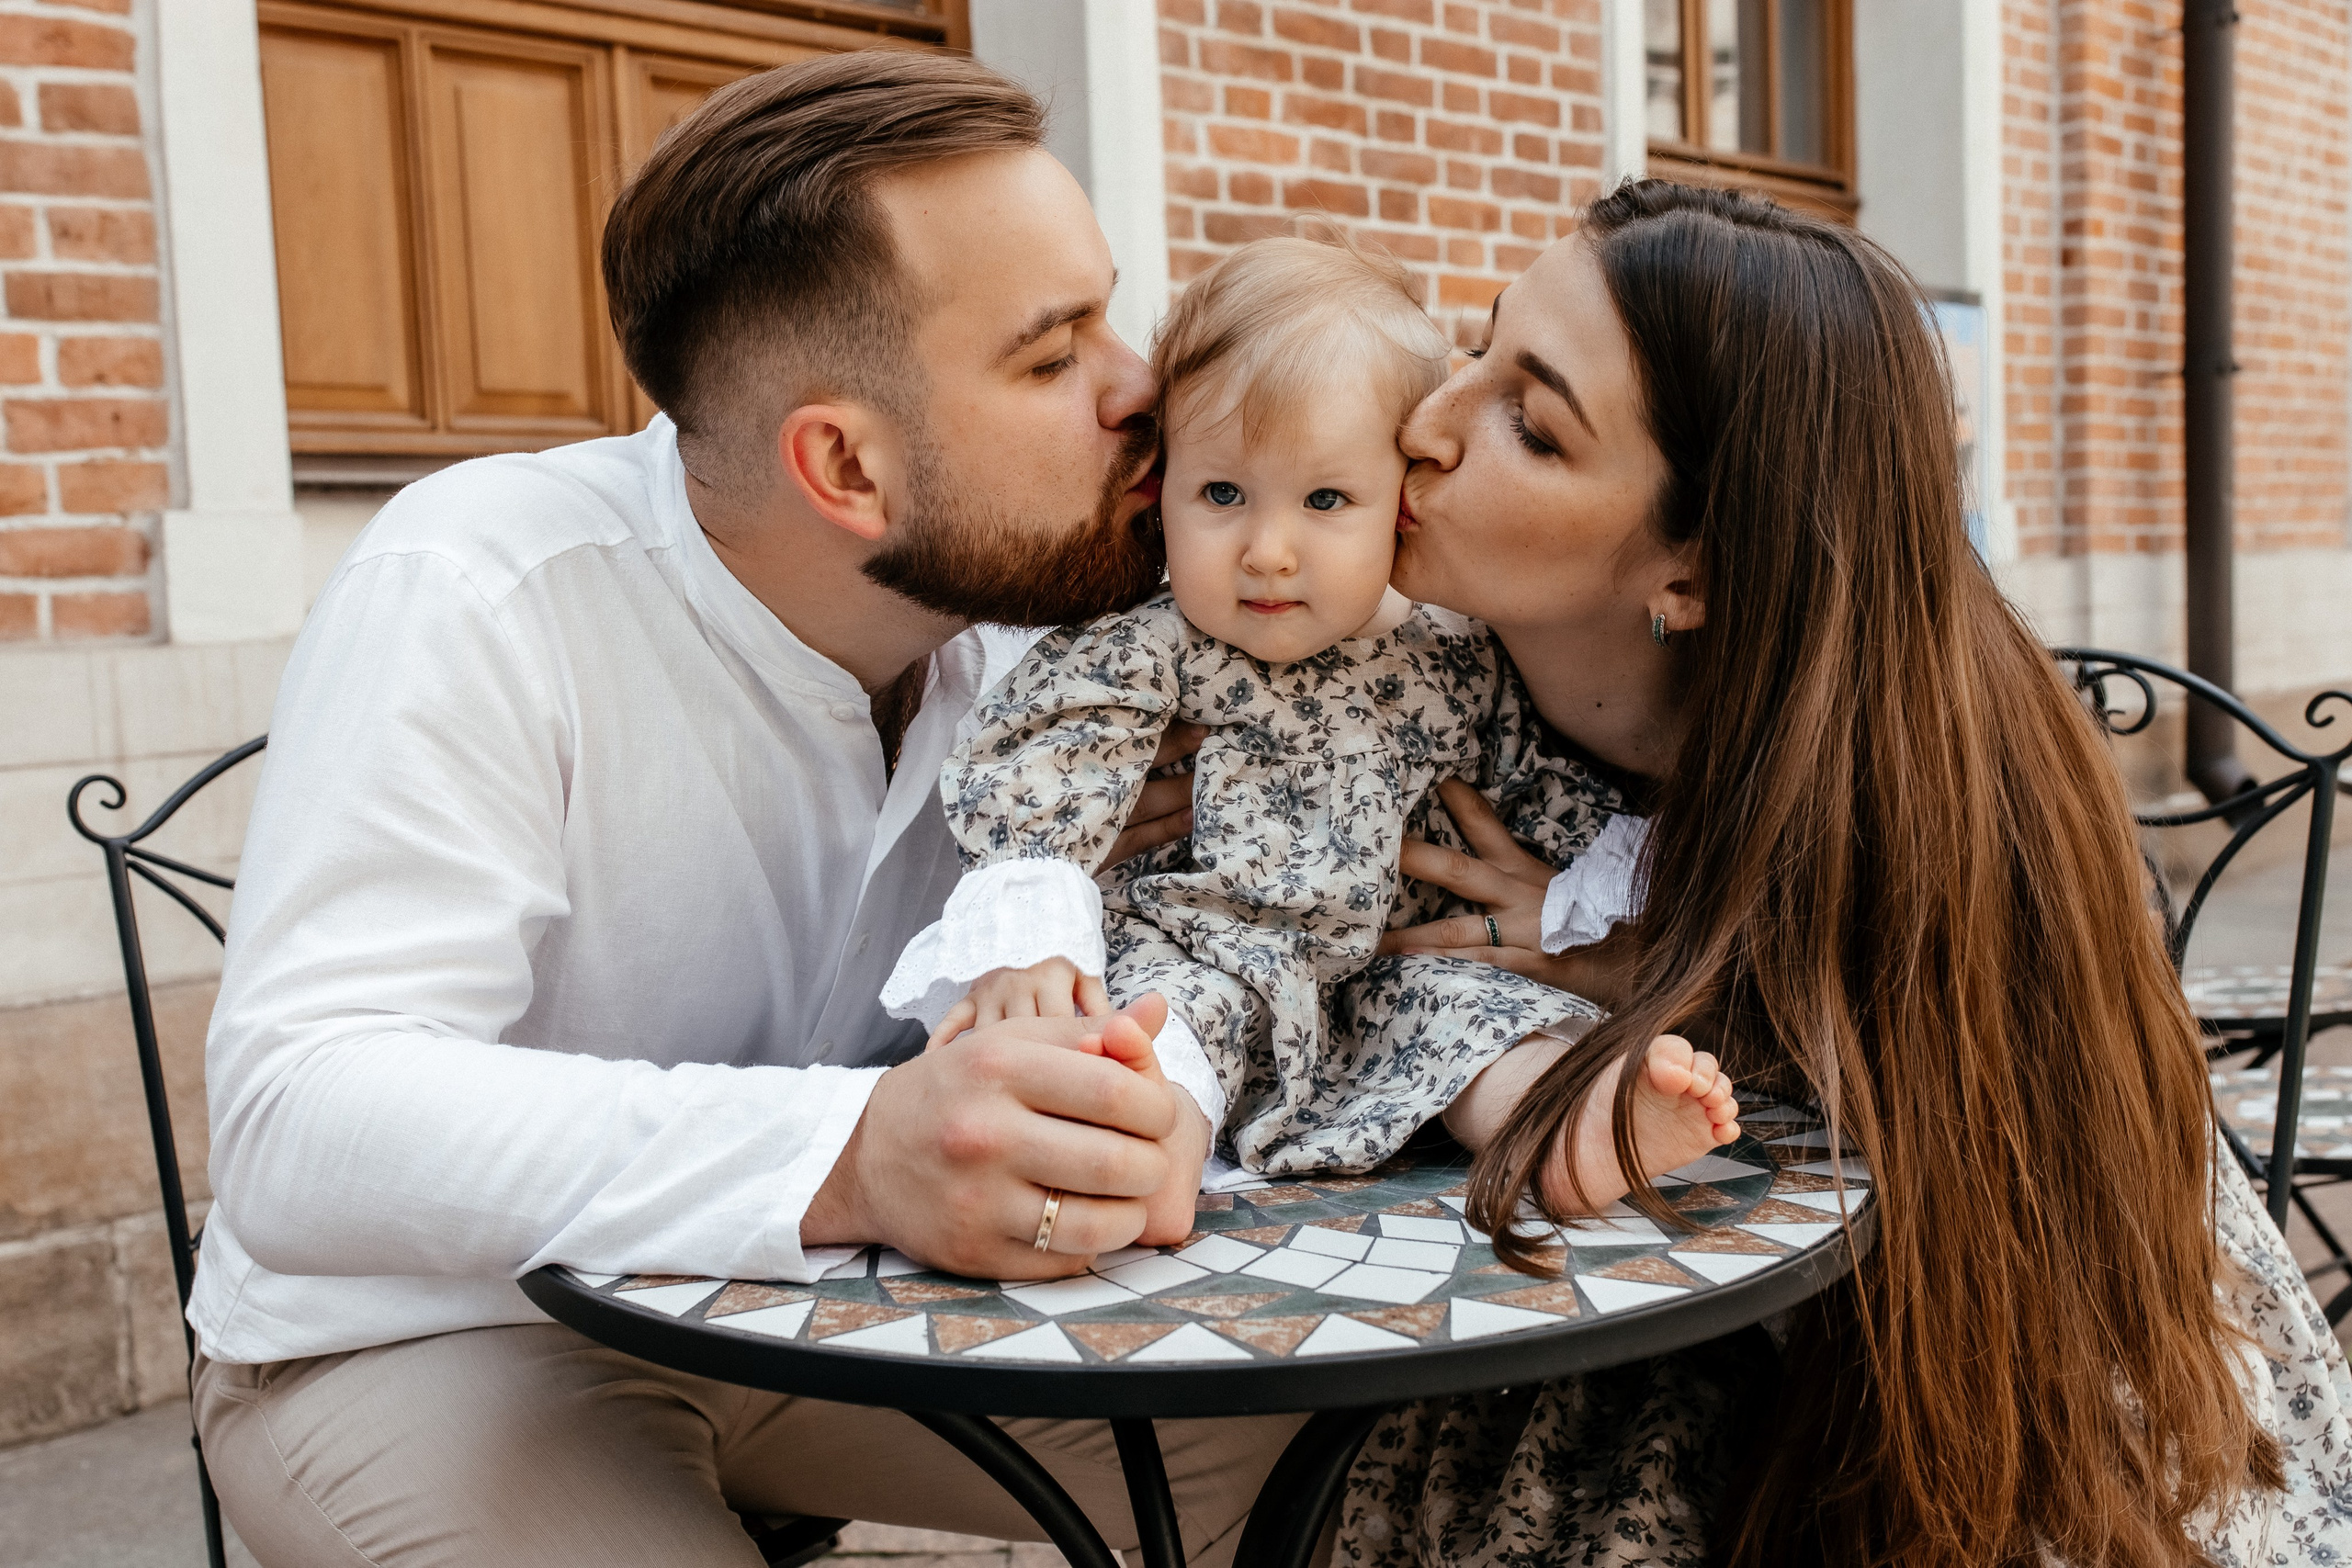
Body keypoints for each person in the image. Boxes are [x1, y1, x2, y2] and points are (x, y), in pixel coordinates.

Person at [190, 53, 1304, 1568]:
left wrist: (1138, 1089)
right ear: (843, 462)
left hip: (841, 1313)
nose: (1144, 392)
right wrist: (855, 1149)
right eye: (1054, 358)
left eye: (1111, 312)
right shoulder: (479, 585)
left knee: (1369, 1451)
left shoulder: (1049, 638)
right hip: (428, 1333)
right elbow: (297, 1120)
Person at [1339, 181, 2352, 1566]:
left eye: (1533, 421)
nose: (1428, 423)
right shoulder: (1427, 678)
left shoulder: (1927, 778)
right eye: (1479, 343)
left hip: (1971, 1417)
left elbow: (1975, 1241)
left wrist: (1661, 974)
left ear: (1692, 567)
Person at [880, 231, 1738, 1198]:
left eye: (1325, 497)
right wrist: (1034, 928)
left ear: (1395, 500)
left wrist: (1601, 916)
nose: (1269, 552)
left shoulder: (1455, 655)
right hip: (1195, 941)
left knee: (1480, 1009)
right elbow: (1043, 757)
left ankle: (1567, 1126)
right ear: (1164, 489)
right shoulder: (1152, 643)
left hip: (1380, 971)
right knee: (1161, 1024)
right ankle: (1141, 1158)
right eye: (1221, 494)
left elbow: (1538, 789)